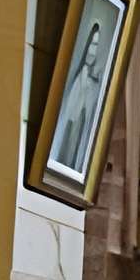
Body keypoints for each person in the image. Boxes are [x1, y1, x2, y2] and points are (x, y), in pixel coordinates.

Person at [53, 18, 106, 171]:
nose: (92, 51)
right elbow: (70, 111)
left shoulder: (94, 83)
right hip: (71, 125)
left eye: (96, 46)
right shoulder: (79, 76)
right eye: (92, 44)